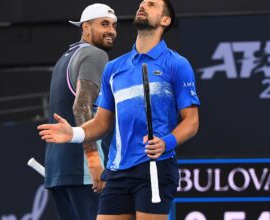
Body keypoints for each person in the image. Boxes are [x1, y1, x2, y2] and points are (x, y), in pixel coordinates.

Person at [38, 0, 199, 219]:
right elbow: (102, 122)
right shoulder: (113, 68)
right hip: (116, 171)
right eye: (142, 3)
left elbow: (191, 121)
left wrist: (166, 142)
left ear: (165, 20)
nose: (142, 5)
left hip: (153, 167)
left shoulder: (177, 64)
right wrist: (74, 133)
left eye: (151, 4)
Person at [43, 3, 117, 220]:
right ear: (86, 27)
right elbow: (81, 106)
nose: (111, 31)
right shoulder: (95, 55)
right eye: (104, 24)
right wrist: (93, 160)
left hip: (59, 171)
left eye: (113, 25)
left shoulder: (64, 58)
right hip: (85, 171)